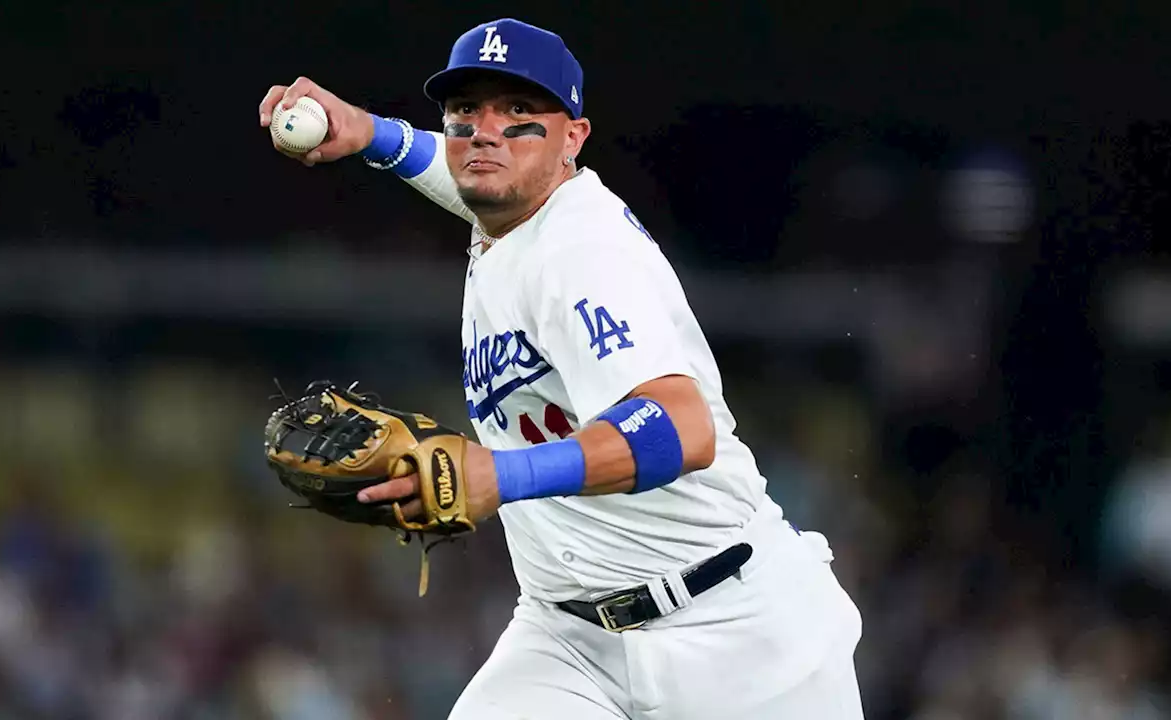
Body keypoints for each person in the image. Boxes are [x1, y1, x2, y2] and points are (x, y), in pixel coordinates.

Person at [258, 17, 865, 720]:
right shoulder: (515, 207)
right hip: (566, 638)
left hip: (735, 633)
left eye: (520, 112)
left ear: (573, 138)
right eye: (466, 111)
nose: (486, 131)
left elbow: (682, 424)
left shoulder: (581, 254)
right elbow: (469, 170)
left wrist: (503, 474)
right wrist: (374, 135)